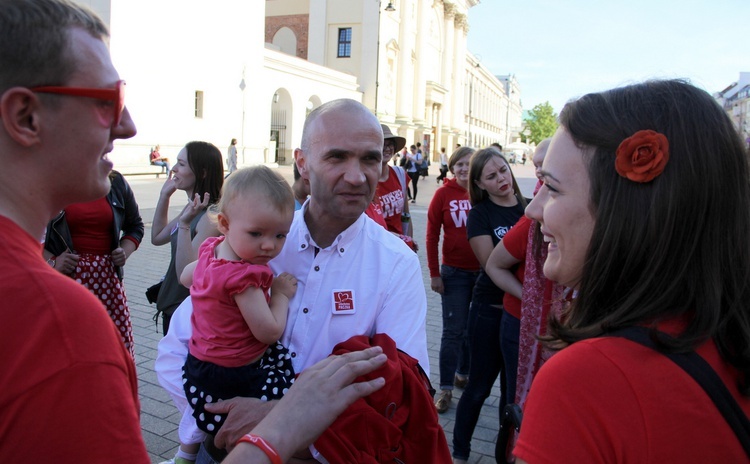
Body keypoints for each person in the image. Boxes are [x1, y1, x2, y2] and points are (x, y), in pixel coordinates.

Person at [156, 99, 432, 462]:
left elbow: (402, 393)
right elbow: (177, 349)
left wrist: (276, 424)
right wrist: (216, 420)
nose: (356, 175)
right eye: (337, 157)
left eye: (370, 159)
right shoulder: (250, 242)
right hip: (223, 442)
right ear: (302, 163)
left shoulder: (396, 264)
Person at [514, 80, 750, 462]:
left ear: (624, 212)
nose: (533, 209)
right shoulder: (727, 336)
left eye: (552, 189)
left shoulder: (586, 382)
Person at [0, 0, 148, 460]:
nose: (127, 126)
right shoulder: (57, 322)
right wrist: (274, 437)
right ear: (26, 117)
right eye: (110, 102)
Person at [170, 167, 297, 464]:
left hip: (199, 363)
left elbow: (187, 278)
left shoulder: (211, 250)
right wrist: (279, 295)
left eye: (280, 235)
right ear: (225, 224)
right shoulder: (244, 279)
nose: (269, 245)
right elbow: (268, 332)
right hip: (235, 373)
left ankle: (188, 450)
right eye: (256, 233)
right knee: (289, 396)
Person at [452, 147, 527, 463]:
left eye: (504, 170)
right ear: (480, 184)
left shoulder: (528, 208)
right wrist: (531, 296)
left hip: (519, 316)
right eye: (492, 176)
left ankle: (504, 454)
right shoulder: (480, 215)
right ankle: (460, 451)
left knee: (511, 393)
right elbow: (491, 265)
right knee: (479, 387)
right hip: (489, 311)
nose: (502, 179)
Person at [43, 170, 144, 360]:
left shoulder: (115, 181)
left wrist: (124, 251)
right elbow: (28, 232)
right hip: (66, 279)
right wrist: (53, 261)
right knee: (69, 348)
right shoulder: (51, 179)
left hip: (106, 280)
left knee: (112, 348)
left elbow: (135, 225)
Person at [426, 146, 480, 414]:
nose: (463, 169)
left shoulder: (482, 192)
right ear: (452, 167)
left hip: (483, 274)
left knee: (472, 329)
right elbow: (432, 235)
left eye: (469, 164)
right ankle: (445, 388)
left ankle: (464, 373)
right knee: (452, 332)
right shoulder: (442, 194)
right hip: (454, 274)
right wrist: (434, 273)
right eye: (459, 164)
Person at [152, 141, 224, 335]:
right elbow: (157, 237)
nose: (174, 169)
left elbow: (187, 273)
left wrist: (184, 225)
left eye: (182, 164)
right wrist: (164, 196)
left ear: (202, 172)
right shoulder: (192, 209)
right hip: (173, 309)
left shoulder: (211, 216)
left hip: (186, 314)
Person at [376, 123, 416, 250]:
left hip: (398, 247)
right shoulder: (366, 180)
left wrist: (408, 241)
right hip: (377, 246)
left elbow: (406, 214)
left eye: (390, 144)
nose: (387, 148)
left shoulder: (399, 174)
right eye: (383, 144)